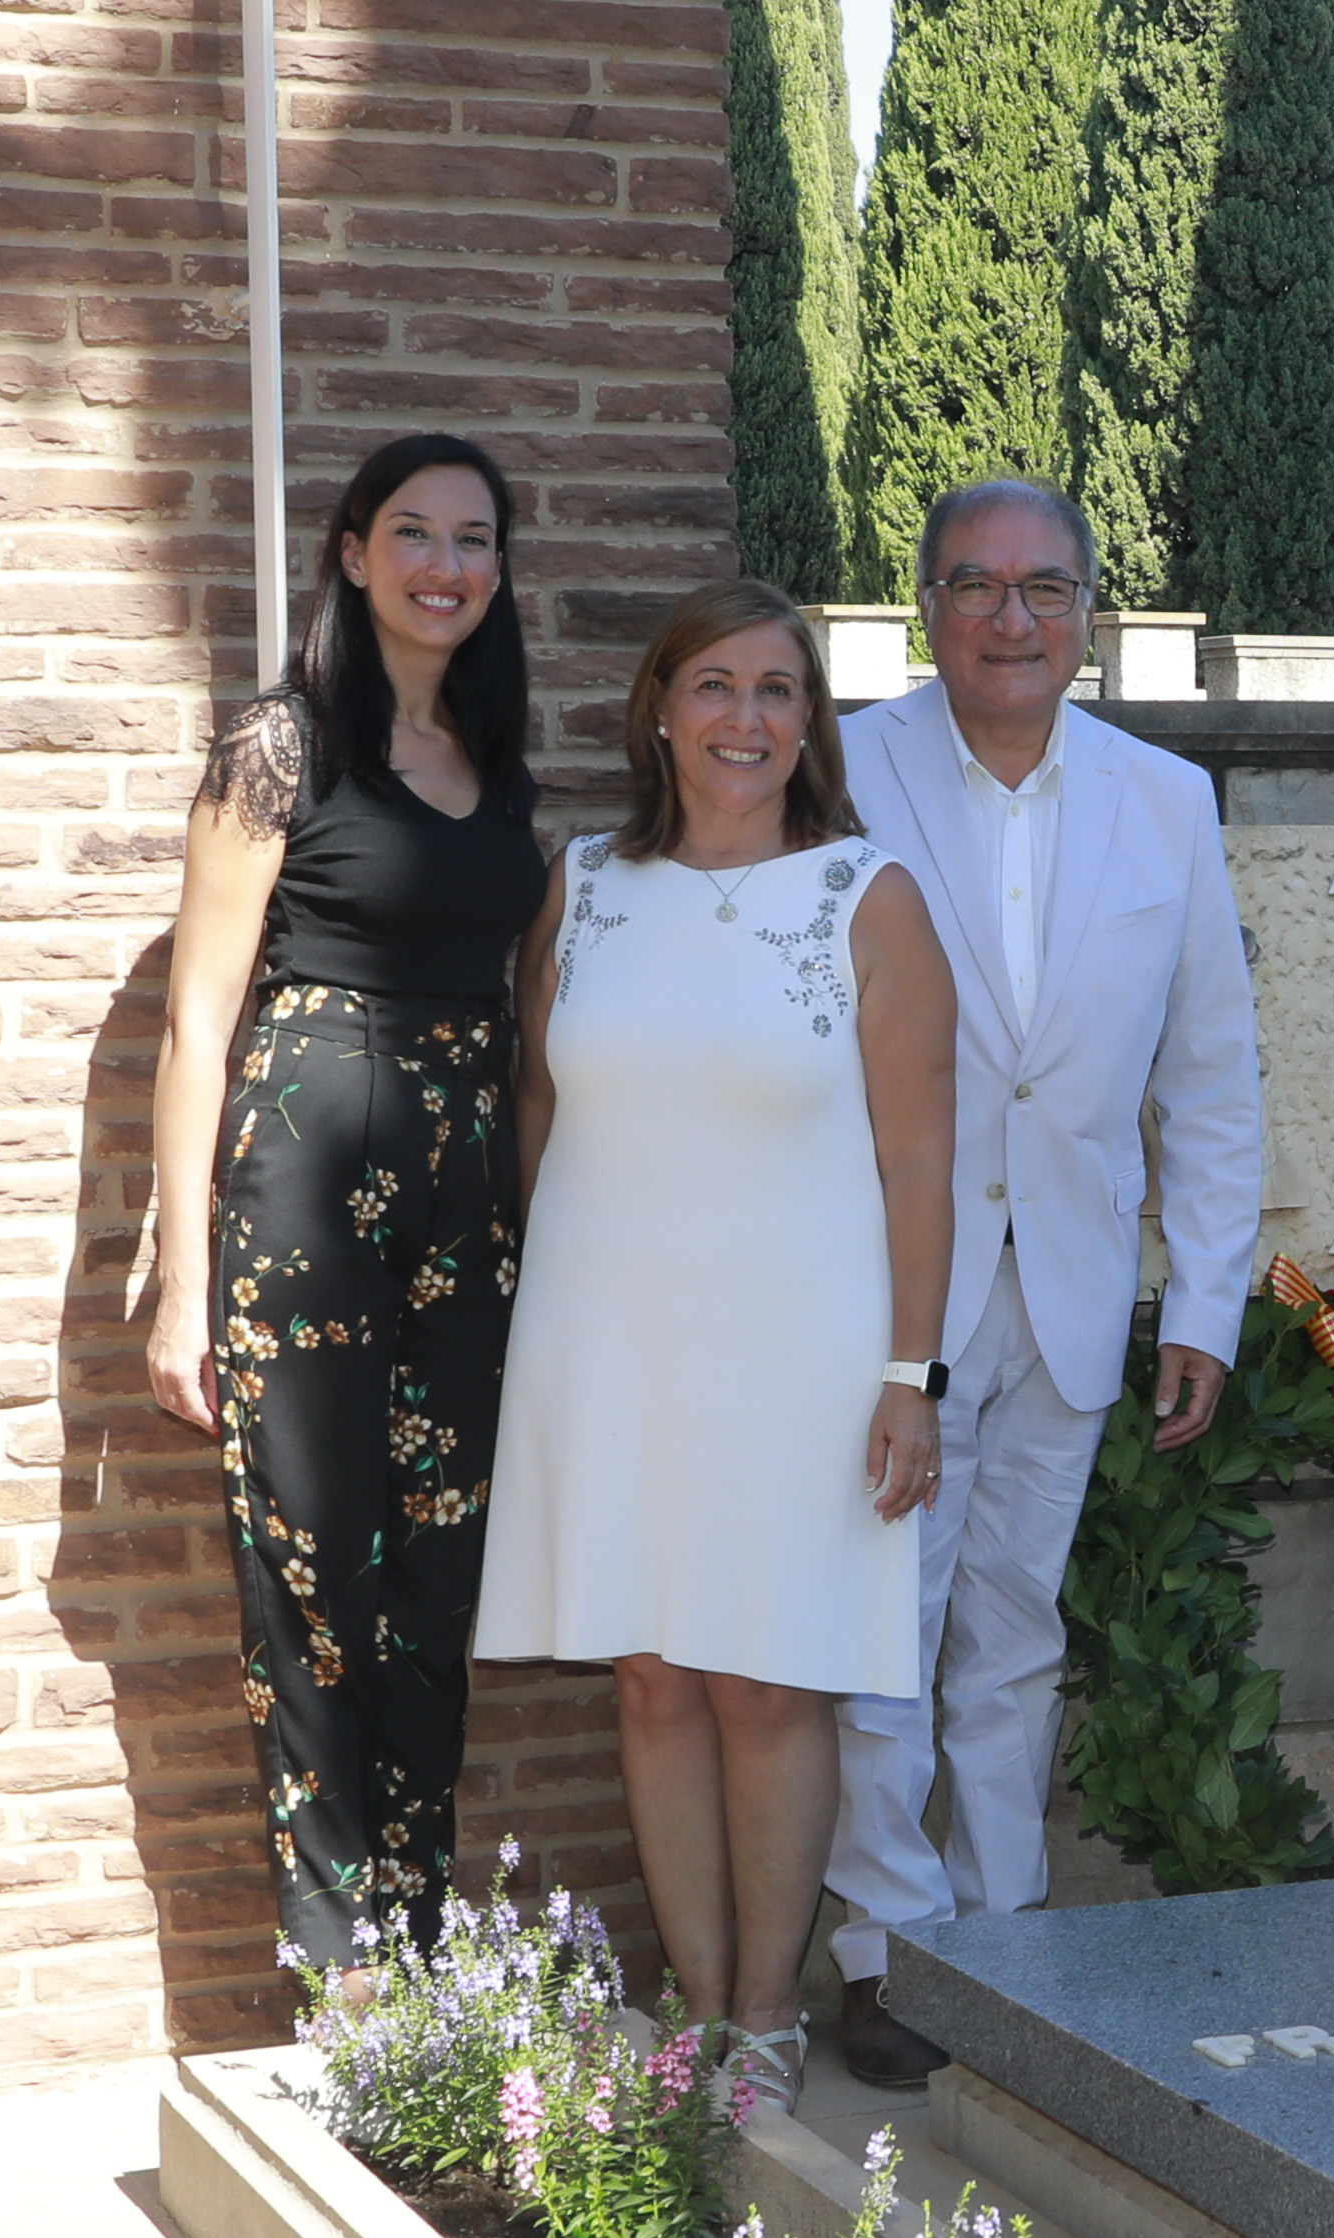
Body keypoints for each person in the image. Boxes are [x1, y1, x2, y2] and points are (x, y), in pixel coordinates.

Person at [478, 581, 953, 2114]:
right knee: (648, 1676)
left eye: (777, 693)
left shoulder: (864, 898)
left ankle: (767, 2014)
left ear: (809, 725)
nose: (745, 720)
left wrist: (909, 1377)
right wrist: (532, 1335)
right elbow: (539, 1110)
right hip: (607, 1342)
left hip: (803, 1354)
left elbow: (922, 1165)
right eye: (715, 687)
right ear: (660, 710)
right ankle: (692, 2005)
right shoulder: (586, 887)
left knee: (769, 1685)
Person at [824, 480, 1265, 2087]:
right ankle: (880, 1956)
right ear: (923, 604)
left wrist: (1203, 1305)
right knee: (884, 1627)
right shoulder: (843, 766)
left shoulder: (1166, 801)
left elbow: (1212, 1076)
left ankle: (999, 1952)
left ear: (1091, 611)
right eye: (974, 586)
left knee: (1008, 1637)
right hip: (887, 1292)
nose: (1012, 620)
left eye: (1044, 590)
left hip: (1074, 1287)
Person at [145, 435, 542, 1966]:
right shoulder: (277, 747)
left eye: (476, 541)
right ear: (355, 553)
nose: (448, 566)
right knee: (312, 1584)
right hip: (303, 1201)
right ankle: (340, 1981)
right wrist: (184, 1279)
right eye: (417, 534)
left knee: (436, 1583)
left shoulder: (497, 763)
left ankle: (424, 1958)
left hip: (466, 1214)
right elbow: (199, 1022)